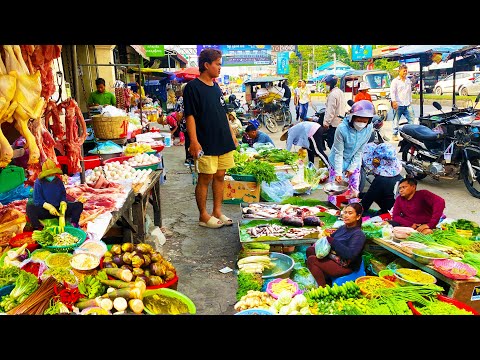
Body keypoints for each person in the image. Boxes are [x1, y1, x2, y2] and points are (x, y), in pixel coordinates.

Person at [183, 48, 238, 229]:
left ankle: (217, 211)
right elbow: (190, 116)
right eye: (218, 64)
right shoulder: (192, 88)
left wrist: (232, 134)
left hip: (222, 139)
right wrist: (194, 141)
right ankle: (203, 216)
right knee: (205, 177)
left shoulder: (216, 87)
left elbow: (223, 113)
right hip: (205, 140)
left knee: (221, 175)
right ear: (206, 65)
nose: (220, 68)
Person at [306, 203, 366, 287]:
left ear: (358, 216)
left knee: (312, 260)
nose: (346, 215)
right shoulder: (343, 227)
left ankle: (322, 289)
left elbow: (350, 255)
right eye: (345, 212)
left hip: (345, 266)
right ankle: (324, 276)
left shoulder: (358, 235)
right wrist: (325, 235)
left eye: (350, 213)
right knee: (310, 250)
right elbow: (331, 238)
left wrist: (332, 241)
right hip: (334, 257)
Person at [327, 100, 374, 207]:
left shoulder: (369, 128)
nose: (361, 123)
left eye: (364, 121)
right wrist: (338, 172)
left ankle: (353, 209)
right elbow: (339, 152)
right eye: (359, 120)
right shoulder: (342, 129)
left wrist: (352, 168)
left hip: (354, 159)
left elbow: (360, 150)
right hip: (338, 160)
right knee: (334, 189)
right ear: (352, 118)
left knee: (354, 187)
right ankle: (332, 208)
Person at [26, 159, 83, 230]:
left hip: (58, 209)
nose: (51, 176)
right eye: (49, 174)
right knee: (30, 208)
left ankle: (74, 223)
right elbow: (37, 200)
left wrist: (63, 203)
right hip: (45, 211)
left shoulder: (58, 181)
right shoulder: (39, 182)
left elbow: (63, 194)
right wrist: (49, 207)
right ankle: (37, 227)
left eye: (52, 174)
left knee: (78, 205)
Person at [359, 142, 403, 215]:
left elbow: (364, 205)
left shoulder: (381, 180)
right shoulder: (399, 177)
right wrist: (358, 195)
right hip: (398, 211)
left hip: (391, 215)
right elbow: (373, 193)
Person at [390, 64, 415, 141]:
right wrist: (394, 101)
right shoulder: (395, 81)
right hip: (398, 104)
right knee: (396, 120)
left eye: (406, 71)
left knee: (411, 119)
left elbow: (409, 92)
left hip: (407, 103)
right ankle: (394, 134)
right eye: (404, 71)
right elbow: (392, 92)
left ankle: (411, 134)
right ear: (399, 71)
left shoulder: (408, 80)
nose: (405, 72)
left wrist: (410, 101)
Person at [322, 74, 346, 149]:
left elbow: (330, 110)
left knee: (331, 144)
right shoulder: (340, 92)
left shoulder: (333, 94)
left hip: (334, 124)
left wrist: (326, 123)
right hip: (340, 121)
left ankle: (334, 160)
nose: (326, 85)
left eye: (327, 83)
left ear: (331, 84)